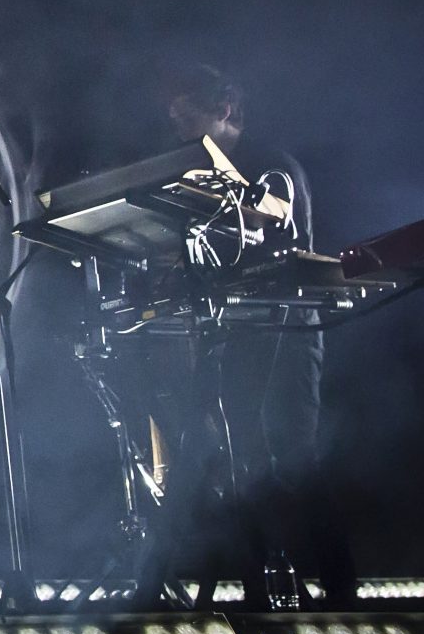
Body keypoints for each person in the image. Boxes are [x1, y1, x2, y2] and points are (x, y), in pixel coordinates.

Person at [147, 63, 345, 605]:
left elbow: (271, 221)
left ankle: (341, 589)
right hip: (234, 331)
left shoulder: (270, 165)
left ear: (225, 109)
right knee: (230, 456)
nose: (177, 124)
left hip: (285, 327)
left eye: (187, 114)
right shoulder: (202, 171)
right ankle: (258, 584)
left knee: (291, 459)